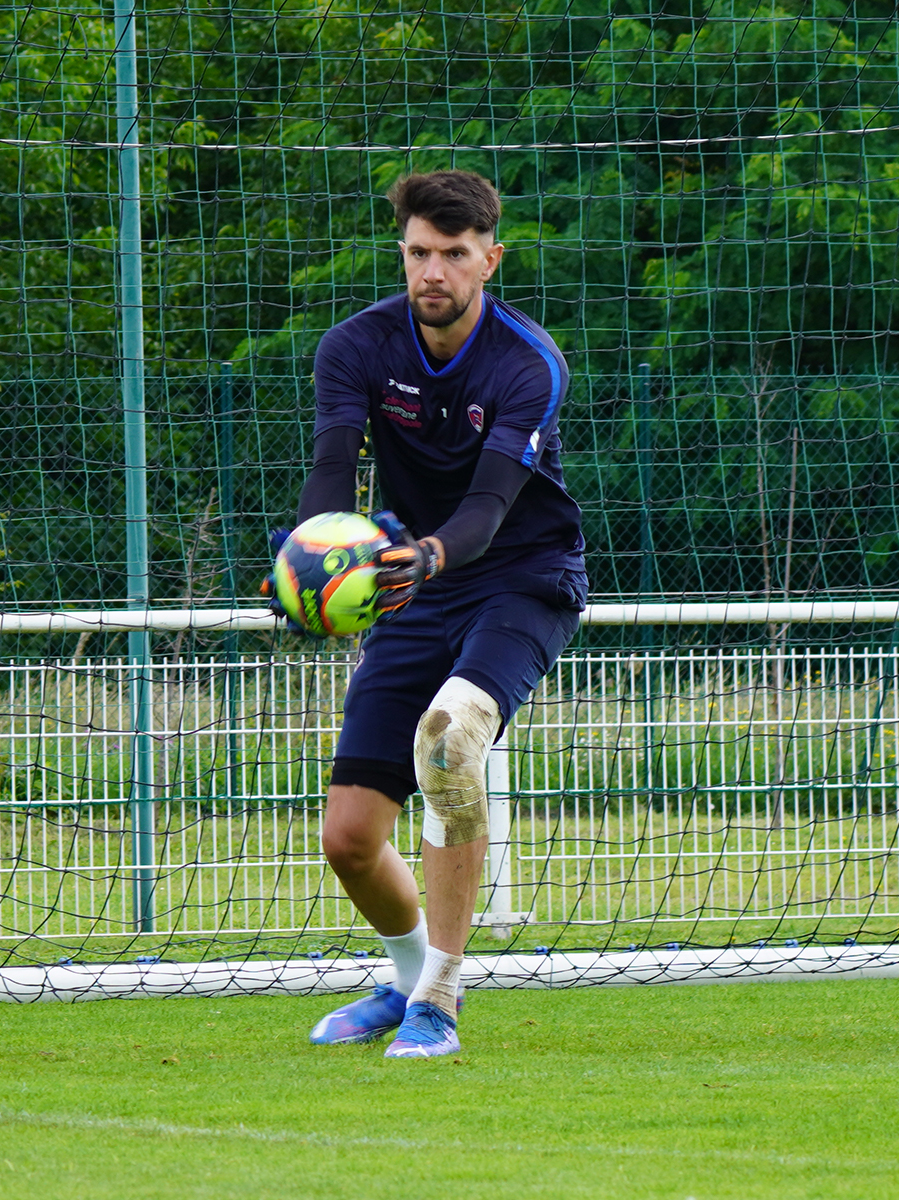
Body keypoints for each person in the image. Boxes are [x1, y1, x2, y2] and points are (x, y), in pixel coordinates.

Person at [280, 169, 586, 1057]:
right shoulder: (354, 347)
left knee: (451, 739)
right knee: (347, 837)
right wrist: (307, 558)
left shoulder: (528, 363)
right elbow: (333, 472)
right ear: (403, 252)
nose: (433, 273)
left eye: (454, 255)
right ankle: (407, 975)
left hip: (523, 579)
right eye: (419, 253)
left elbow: (489, 508)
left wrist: (429, 556)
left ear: (491, 259)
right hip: (411, 586)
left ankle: (439, 1002)